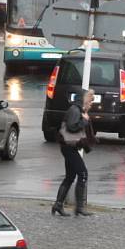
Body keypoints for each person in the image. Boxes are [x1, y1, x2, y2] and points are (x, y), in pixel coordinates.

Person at [52, 89, 97, 217]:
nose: (90, 103)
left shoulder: (77, 110)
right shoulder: (75, 110)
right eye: (89, 100)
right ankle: (79, 207)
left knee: (70, 177)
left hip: (68, 147)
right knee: (83, 173)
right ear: (84, 99)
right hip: (69, 147)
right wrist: (85, 121)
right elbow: (72, 126)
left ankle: (58, 205)